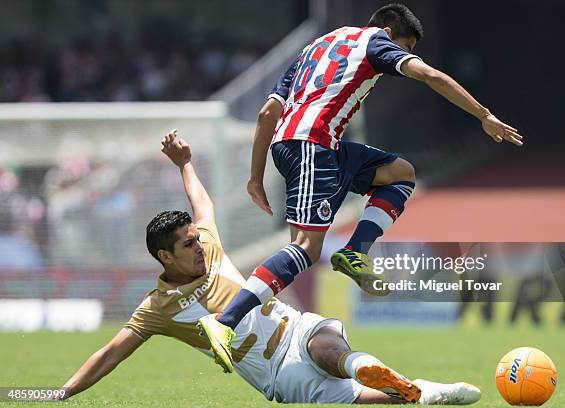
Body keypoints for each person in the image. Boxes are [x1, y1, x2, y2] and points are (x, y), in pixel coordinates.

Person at [199, 3, 523, 373]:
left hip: (312, 145)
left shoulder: (316, 47)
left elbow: (267, 114)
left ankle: (354, 252)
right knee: (305, 248)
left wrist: (256, 177)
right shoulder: (376, 43)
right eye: (404, 47)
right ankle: (225, 322)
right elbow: (431, 75)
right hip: (312, 145)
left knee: (400, 172)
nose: (402, 56)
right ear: (388, 31)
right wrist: (484, 115)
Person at [56, 130, 480, 405]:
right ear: (165, 258)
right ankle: (424, 391)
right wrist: (63, 392)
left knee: (330, 345)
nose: (199, 246)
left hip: (296, 326)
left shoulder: (209, 244)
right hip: (280, 374)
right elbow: (111, 353)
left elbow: (202, 205)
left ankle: (379, 374)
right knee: (383, 398)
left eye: (196, 238)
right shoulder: (157, 309)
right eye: (187, 245)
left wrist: (185, 163)